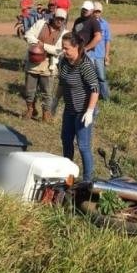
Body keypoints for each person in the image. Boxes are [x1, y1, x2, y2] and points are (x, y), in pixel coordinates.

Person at [53, 32, 99, 182]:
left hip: (83, 111)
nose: (64, 51)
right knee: (66, 140)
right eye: (62, 48)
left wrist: (90, 111)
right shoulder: (63, 62)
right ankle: (68, 175)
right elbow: (62, 82)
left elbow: (95, 89)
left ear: (77, 47)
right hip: (70, 109)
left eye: (66, 48)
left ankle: (88, 179)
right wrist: (55, 100)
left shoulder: (85, 64)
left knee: (83, 145)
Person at [22, 8, 68, 122]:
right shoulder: (40, 24)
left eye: (62, 19)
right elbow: (28, 35)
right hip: (33, 60)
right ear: (53, 17)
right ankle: (30, 109)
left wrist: (43, 46)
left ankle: (46, 113)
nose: (60, 21)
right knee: (29, 89)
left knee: (47, 91)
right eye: (58, 18)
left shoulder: (65, 33)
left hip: (49, 63)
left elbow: (59, 50)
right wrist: (39, 44)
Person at [90, 1, 112, 102]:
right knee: (89, 77)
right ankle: (91, 97)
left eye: (98, 11)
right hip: (89, 54)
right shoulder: (88, 22)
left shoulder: (105, 24)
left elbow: (107, 40)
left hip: (99, 55)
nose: (97, 13)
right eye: (95, 11)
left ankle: (106, 98)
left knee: (102, 77)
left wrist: (107, 55)